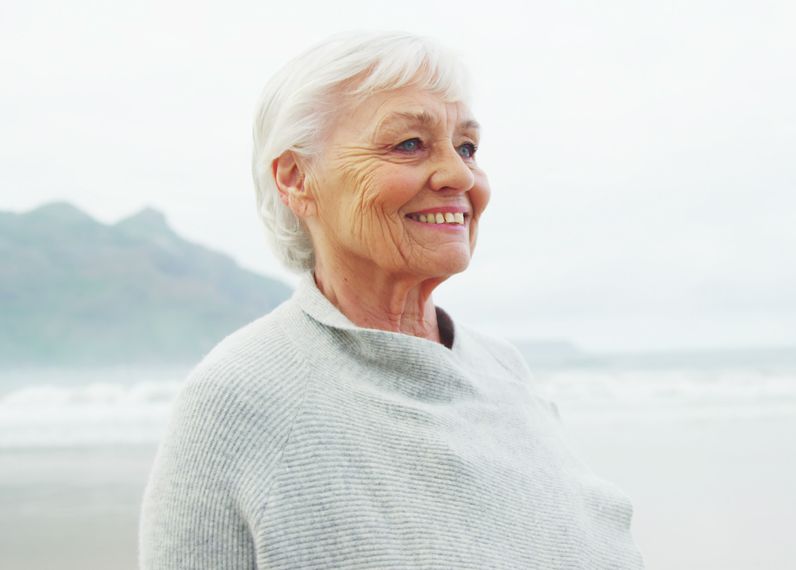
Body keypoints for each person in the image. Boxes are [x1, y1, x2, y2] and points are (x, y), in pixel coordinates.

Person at [138, 30, 645, 569]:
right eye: (409, 144)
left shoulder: (505, 371)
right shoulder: (239, 398)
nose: (458, 174)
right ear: (296, 178)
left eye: (467, 147)